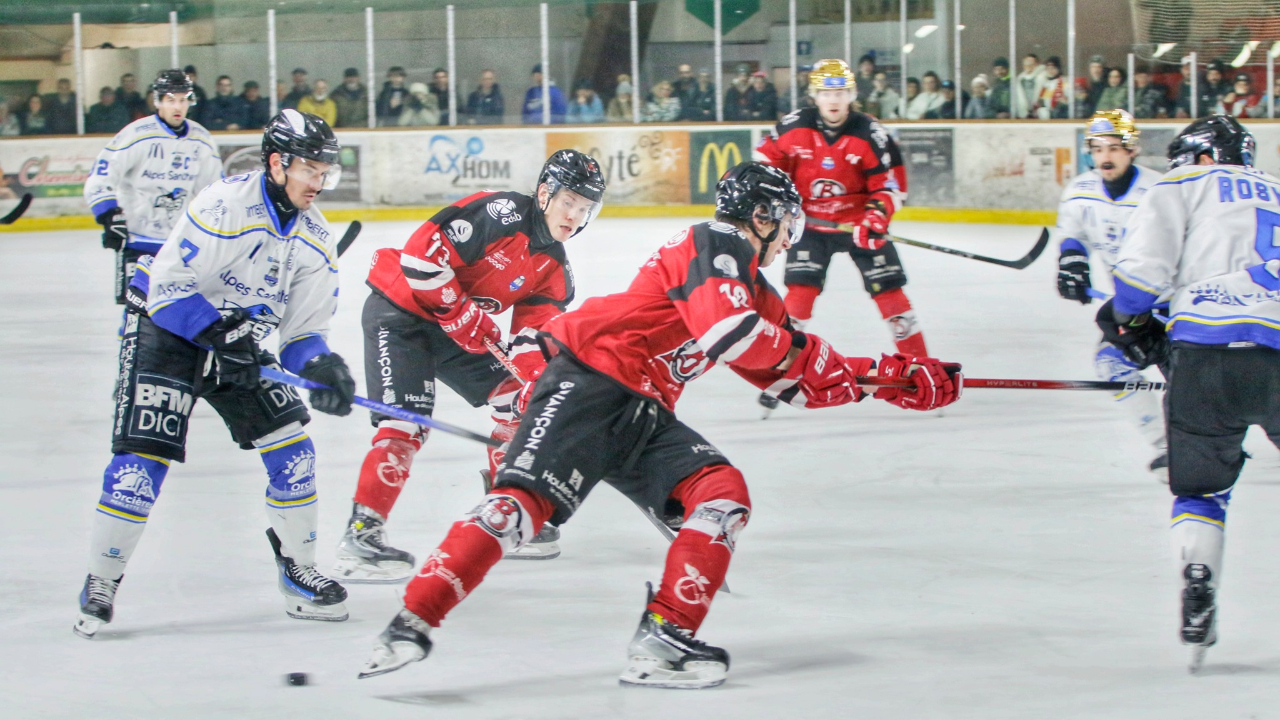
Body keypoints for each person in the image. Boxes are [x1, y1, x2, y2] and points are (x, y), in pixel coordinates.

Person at [356, 160, 962, 685]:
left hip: (642, 407)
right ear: (760, 216)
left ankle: (663, 642)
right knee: (520, 508)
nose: (788, 240)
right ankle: (411, 623)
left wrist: (895, 381)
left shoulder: (752, 285)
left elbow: (790, 379)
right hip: (591, 380)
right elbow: (734, 336)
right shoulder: (712, 242)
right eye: (784, 223)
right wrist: (855, 370)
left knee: (721, 495)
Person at [74, 108, 358, 639]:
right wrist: (219, 334)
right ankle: (101, 581)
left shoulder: (316, 238)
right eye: (311, 171)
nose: (319, 183)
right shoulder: (223, 203)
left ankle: (298, 570)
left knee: (294, 450)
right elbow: (167, 289)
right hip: (169, 331)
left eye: (326, 173)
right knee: (142, 462)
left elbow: (300, 334)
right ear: (278, 163)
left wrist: (323, 366)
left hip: (237, 346)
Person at [331, 150, 605, 582]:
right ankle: (361, 536)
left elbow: (535, 338)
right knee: (406, 425)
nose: (575, 215)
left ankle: (504, 506)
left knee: (518, 401)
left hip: (453, 328)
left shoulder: (553, 266)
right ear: (545, 192)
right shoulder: (502, 214)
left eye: (586, 208)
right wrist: (458, 310)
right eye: (569, 201)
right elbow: (420, 257)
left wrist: (538, 381)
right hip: (400, 313)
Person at [1099, 114, 1280, 672]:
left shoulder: (1180, 185)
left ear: (1204, 157)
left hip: (1205, 357)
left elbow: (1138, 281)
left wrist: (1131, 327)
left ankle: (1198, 578)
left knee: (1201, 493)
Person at [753, 59, 925, 414]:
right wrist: (779, 205)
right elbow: (762, 168)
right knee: (799, 299)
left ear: (852, 95)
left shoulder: (871, 133)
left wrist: (876, 216)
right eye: (827, 92)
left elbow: (892, 184)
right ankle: (779, 371)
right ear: (814, 95)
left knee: (892, 298)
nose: (834, 99)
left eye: (842, 92)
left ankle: (922, 371)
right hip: (810, 226)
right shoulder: (792, 127)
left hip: (859, 224)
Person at [1053, 110, 1166, 473]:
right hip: (1133, 309)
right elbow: (1075, 232)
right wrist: (1072, 262)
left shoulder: (1160, 190)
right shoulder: (1080, 191)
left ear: (1132, 150)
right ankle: (1168, 445)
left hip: (1177, 305)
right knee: (1111, 363)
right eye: (1097, 148)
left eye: (1115, 148)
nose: (1105, 157)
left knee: (1204, 381)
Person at [83, 69, 223, 309]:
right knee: (137, 314)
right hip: (139, 239)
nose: (177, 107)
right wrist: (108, 214)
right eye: (170, 100)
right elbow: (102, 173)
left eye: (182, 100)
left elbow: (213, 191)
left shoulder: (201, 139)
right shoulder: (137, 134)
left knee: (175, 312)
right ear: (157, 101)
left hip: (180, 245)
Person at [1014, 53, 1046, 118]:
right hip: (1024, 114)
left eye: (1030, 64)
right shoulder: (1020, 79)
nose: (1027, 66)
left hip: (1039, 113)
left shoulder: (1044, 77)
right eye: (1025, 64)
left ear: (1036, 64)